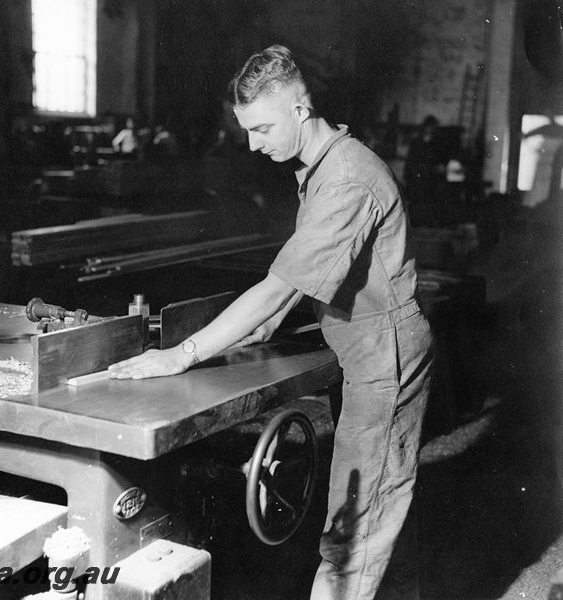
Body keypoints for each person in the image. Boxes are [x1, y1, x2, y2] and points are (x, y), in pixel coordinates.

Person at [108, 44, 433, 599]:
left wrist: (182, 354)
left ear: (301, 110)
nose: (255, 145)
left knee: (356, 521)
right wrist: (269, 320)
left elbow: (281, 282)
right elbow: (313, 267)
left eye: (261, 128)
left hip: (385, 351)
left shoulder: (349, 178)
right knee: (354, 504)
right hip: (362, 345)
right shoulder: (322, 163)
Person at [403, 114, 445, 204]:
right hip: (418, 182)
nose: (431, 129)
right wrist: (406, 178)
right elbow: (410, 162)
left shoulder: (437, 143)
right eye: (430, 126)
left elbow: (439, 162)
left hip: (430, 183)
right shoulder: (416, 143)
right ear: (425, 127)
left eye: (433, 127)